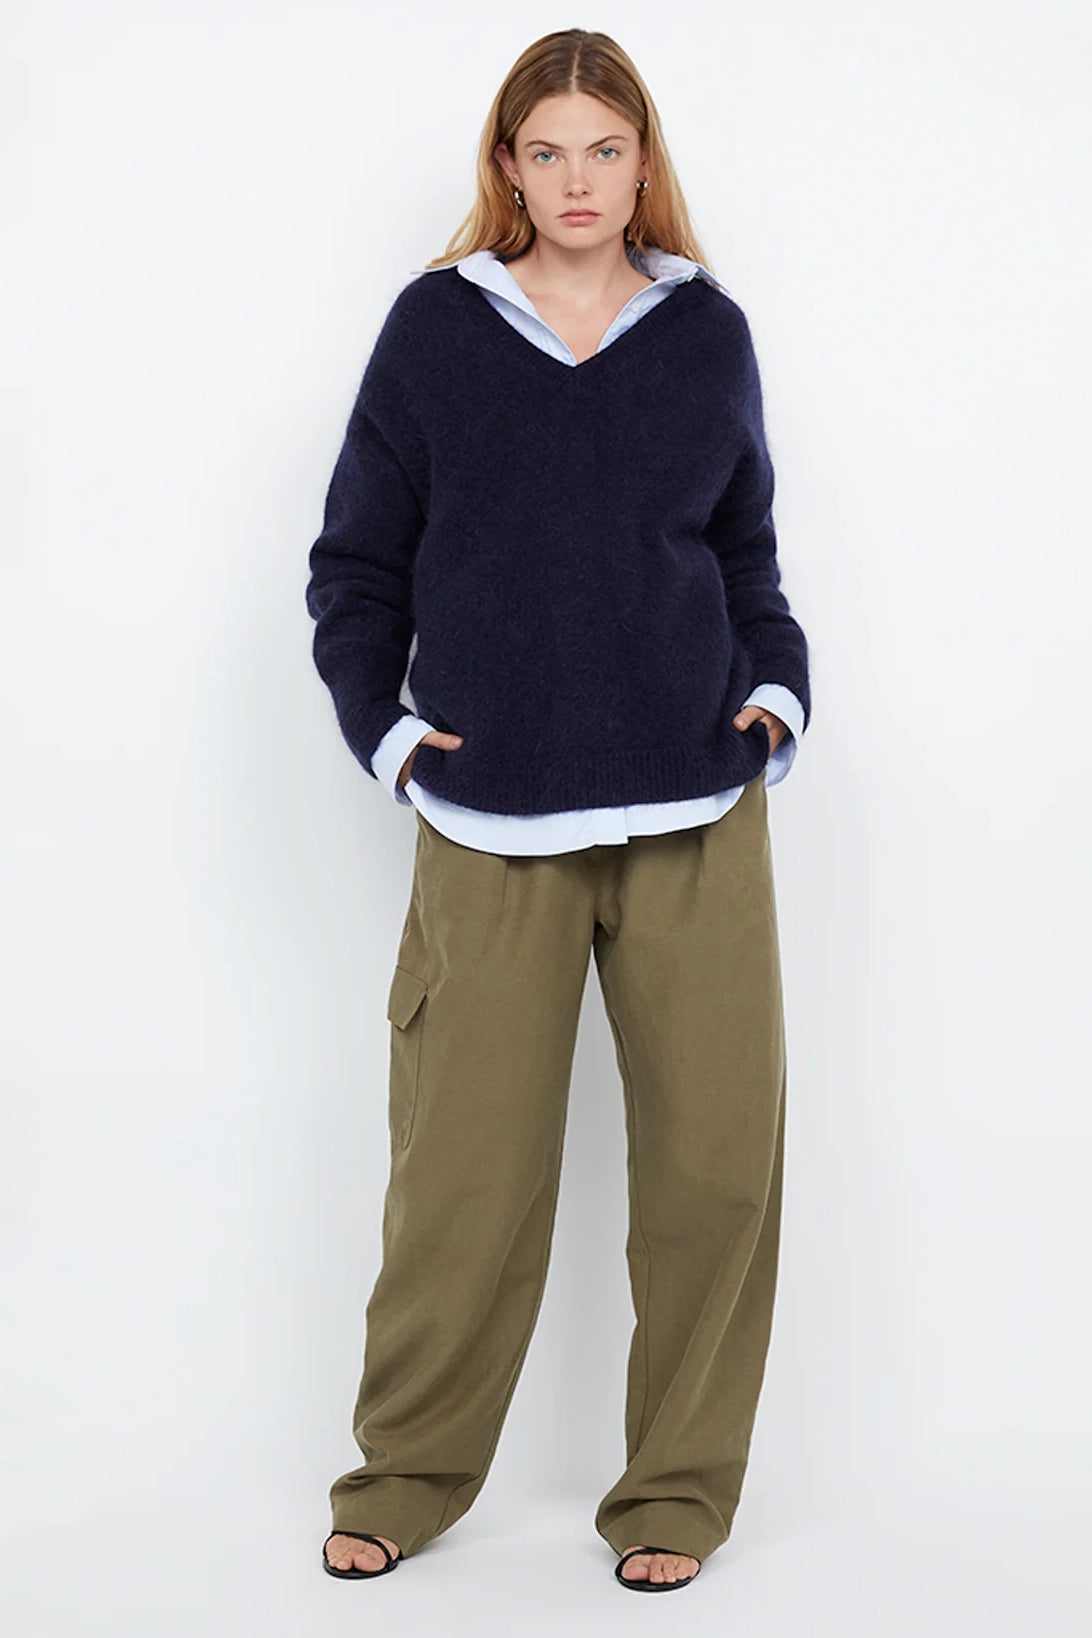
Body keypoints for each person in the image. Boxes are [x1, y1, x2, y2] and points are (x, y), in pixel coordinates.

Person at [306, 26, 811, 1595]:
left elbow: (746, 551)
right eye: (548, 151)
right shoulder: (436, 331)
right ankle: (405, 1474)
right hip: (490, 821)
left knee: (717, 1171)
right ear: (507, 167)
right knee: (461, 1180)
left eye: (605, 149)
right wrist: (392, 735)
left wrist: (777, 689)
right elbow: (356, 566)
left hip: (695, 812)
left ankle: (675, 1494)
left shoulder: (705, 332)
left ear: (642, 164)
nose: (578, 179)